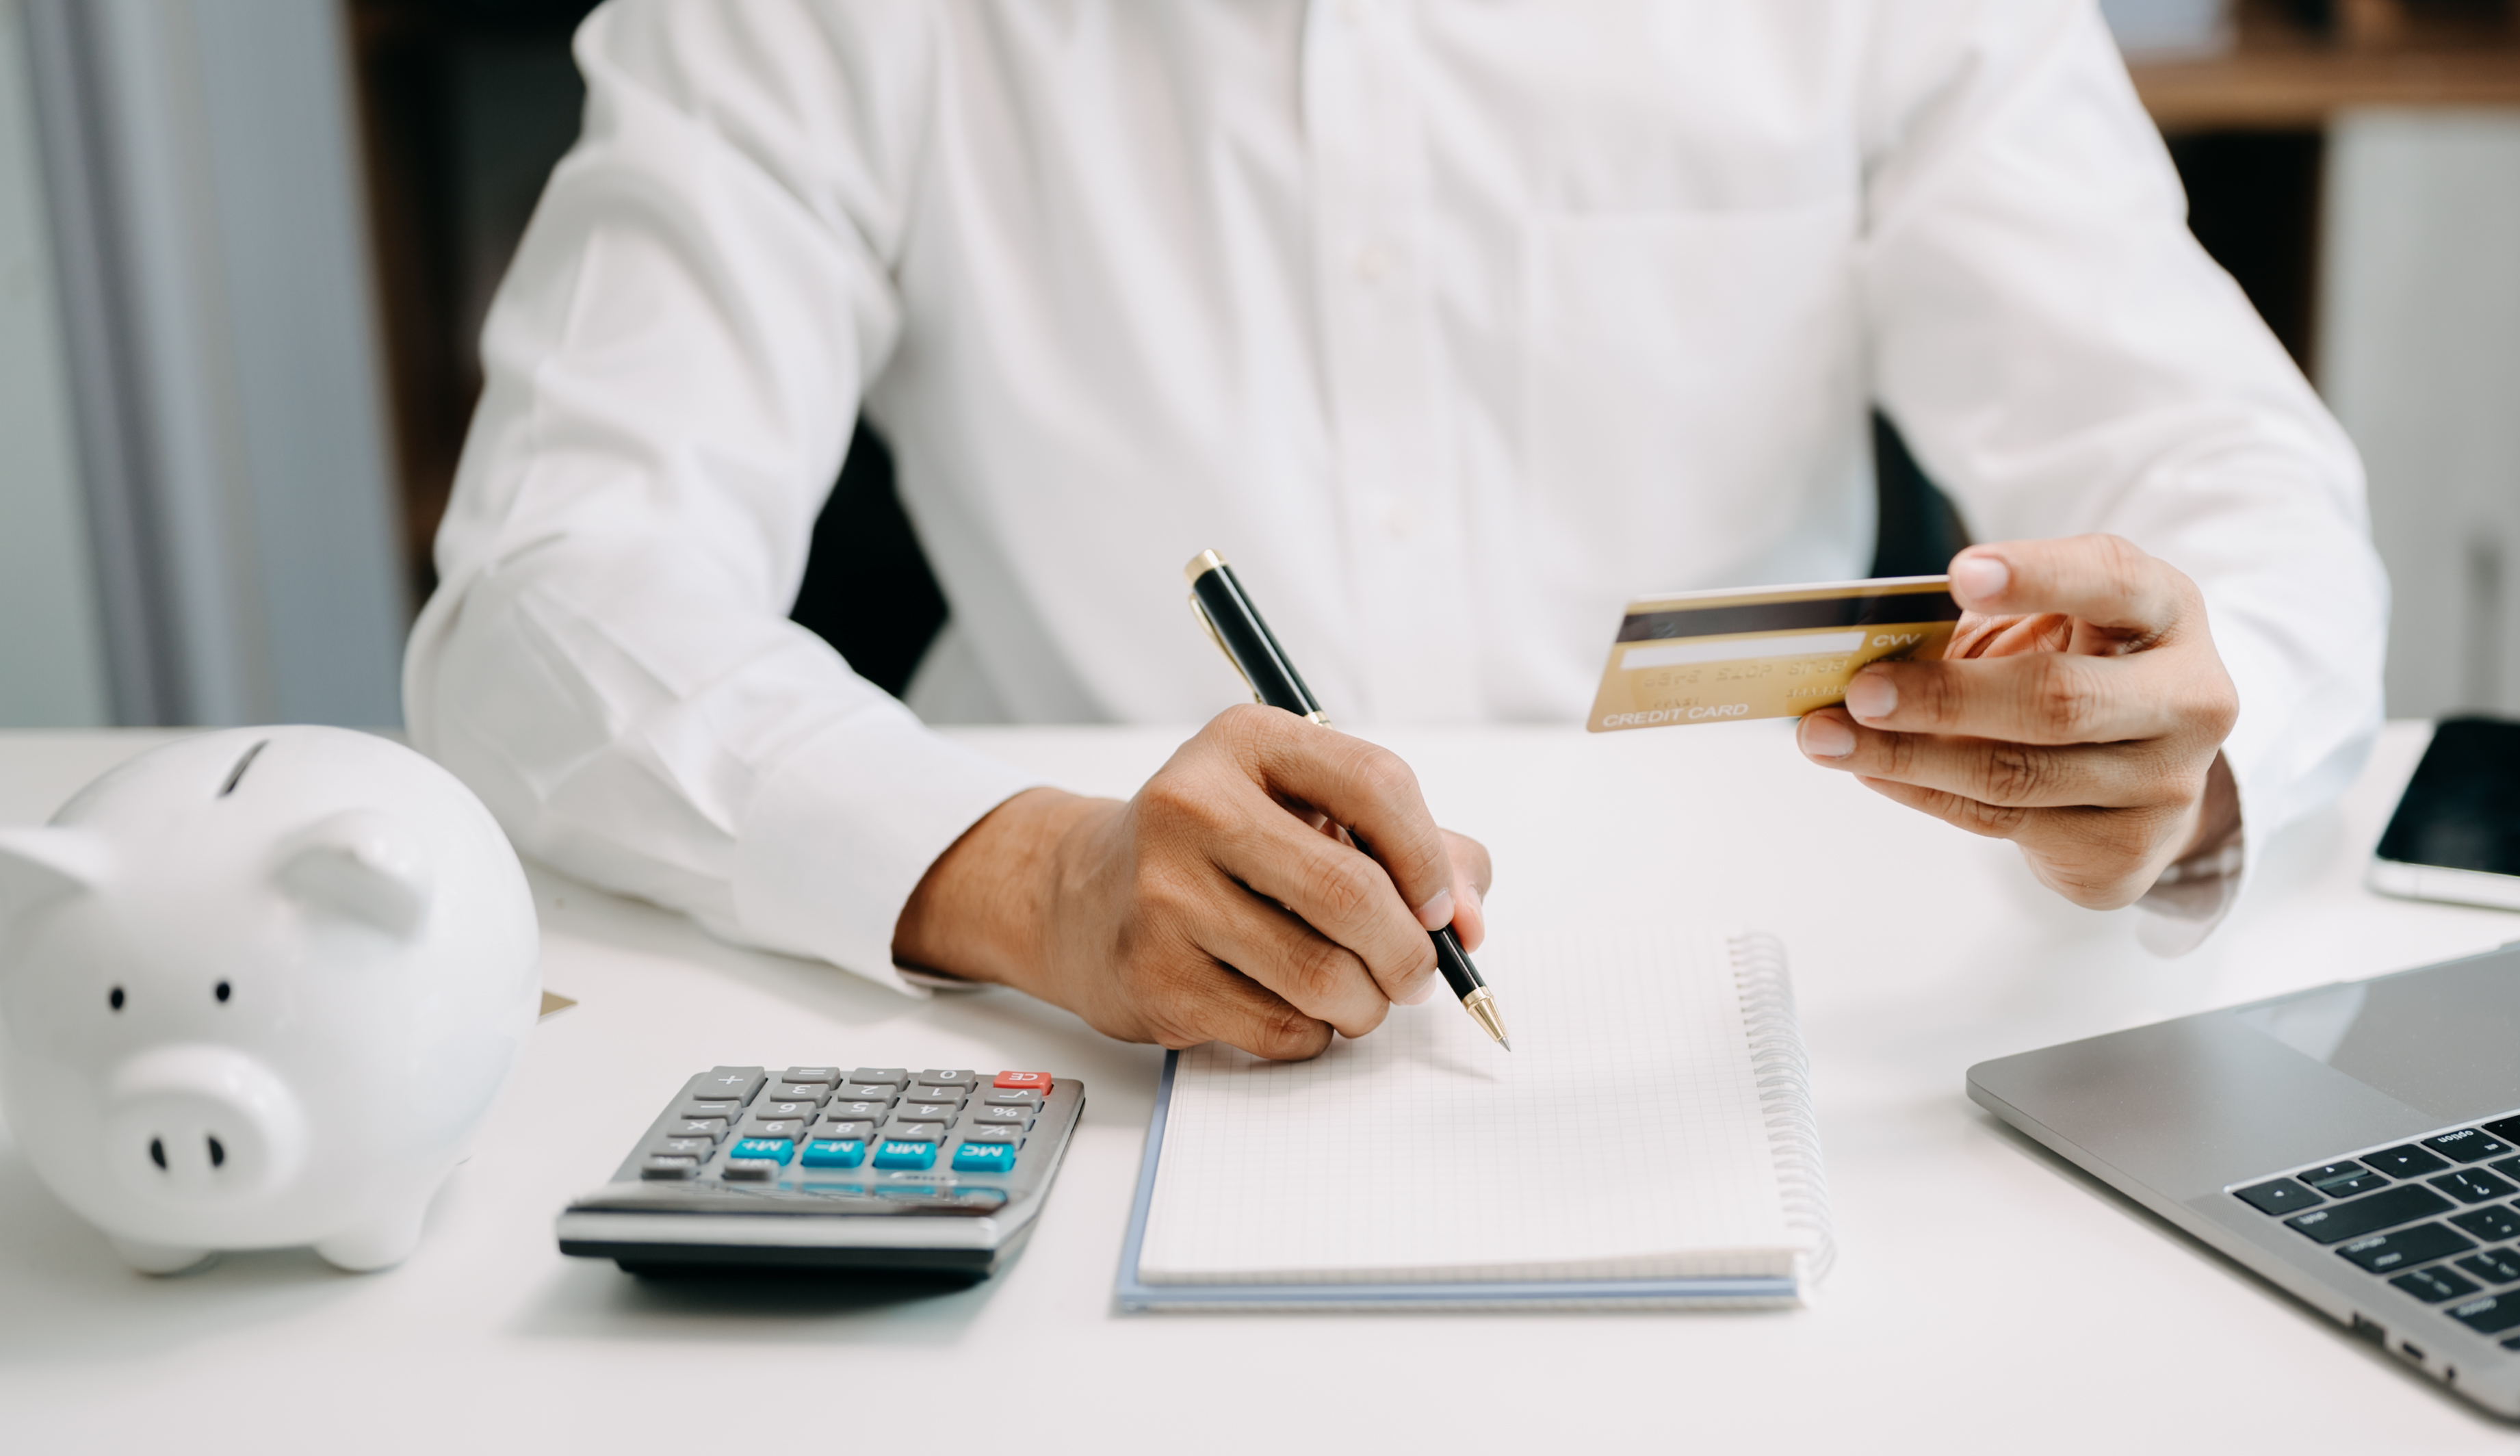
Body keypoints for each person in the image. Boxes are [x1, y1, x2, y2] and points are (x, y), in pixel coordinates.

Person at [406, 0, 2386, 1060]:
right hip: (1083, 1053)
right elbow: (547, 588)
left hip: (1762, 1038)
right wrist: (1025, 879)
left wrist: (2190, 749)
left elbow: (2243, 493)